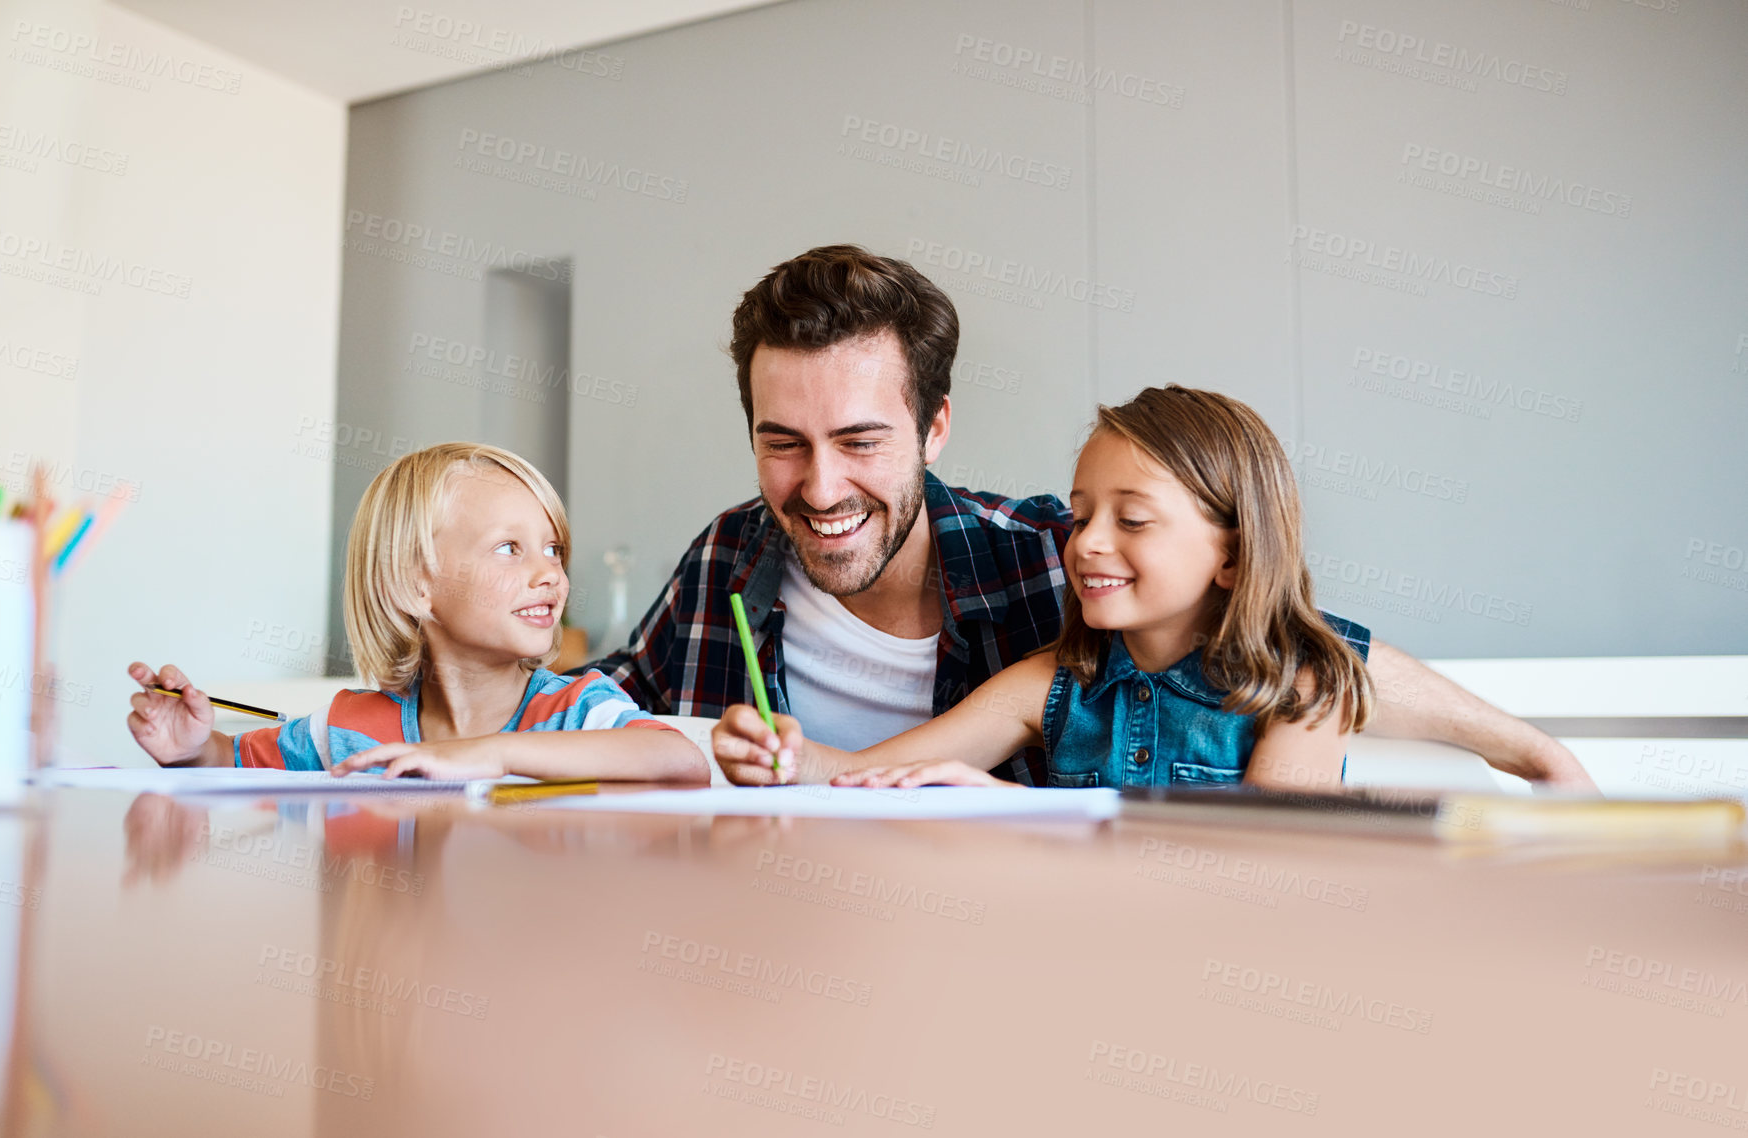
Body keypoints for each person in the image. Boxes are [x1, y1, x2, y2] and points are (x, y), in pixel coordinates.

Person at [585, 244, 1594, 789]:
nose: (817, 489)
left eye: (858, 442)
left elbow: (1276, 850)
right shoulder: (731, 555)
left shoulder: (1060, 578)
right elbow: (606, 708)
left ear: (936, 429)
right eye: (782, 442)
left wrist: (1008, 814)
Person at [713, 385, 1371, 789]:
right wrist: (785, 759)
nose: (1084, 543)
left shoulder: (1308, 688)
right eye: (1081, 516)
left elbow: (1274, 860)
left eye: (1132, 520)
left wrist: (1025, 815)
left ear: (1232, 555)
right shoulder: (1051, 684)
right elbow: (874, 773)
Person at [127, 443, 705, 782]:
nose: (549, 572)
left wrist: (492, 753)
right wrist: (194, 748)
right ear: (415, 587)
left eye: (553, 548)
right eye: (510, 548)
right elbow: (236, 761)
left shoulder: (575, 709)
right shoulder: (349, 728)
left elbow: (678, 759)